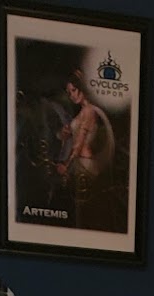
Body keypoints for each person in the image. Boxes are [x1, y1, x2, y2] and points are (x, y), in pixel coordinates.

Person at [55, 68, 114, 217]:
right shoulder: (82, 112)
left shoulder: (89, 111)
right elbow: (64, 136)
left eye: (73, 90)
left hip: (85, 164)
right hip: (79, 163)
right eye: (69, 93)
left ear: (82, 88)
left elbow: (79, 143)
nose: (71, 96)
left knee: (84, 210)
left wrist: (66, 165)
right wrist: (64, 132)